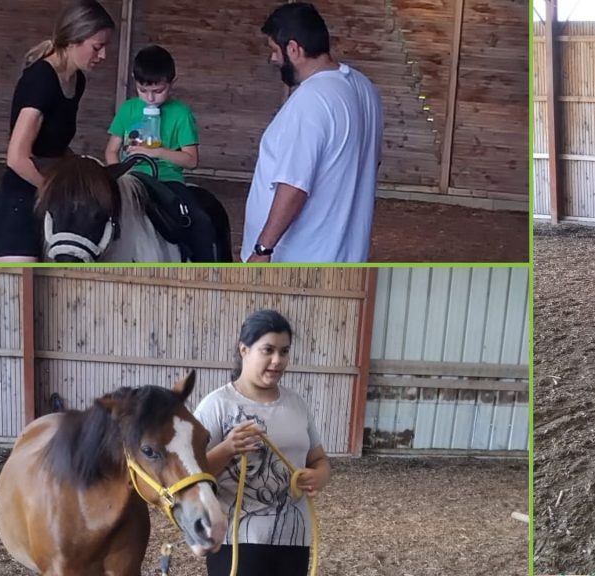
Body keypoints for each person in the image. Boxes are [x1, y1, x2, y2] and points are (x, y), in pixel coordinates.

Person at [242, 2, 384, 263]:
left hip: (298, 260)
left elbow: (294, 185)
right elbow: (371, 163)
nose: (273, 59)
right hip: (346, 256)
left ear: (293, 49)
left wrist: (263, 249)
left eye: (274, 50)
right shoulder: (364, 88)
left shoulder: (311, 100)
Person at [194, 309, 330, 576]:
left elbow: (319, 460)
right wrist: (227, 448)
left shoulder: (297, 405)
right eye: (268, 350)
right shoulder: (216, 406)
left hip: (292, 538)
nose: (277, 360)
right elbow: (192, 477)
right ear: (244, 350)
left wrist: (319, 477)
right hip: (235, 541)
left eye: (284, 351)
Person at [0, 0, 115, 262]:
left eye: (105, 47)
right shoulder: (41, 79)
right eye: (97, 47)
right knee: (21, 283)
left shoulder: (77, 80)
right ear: (74, 40)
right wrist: (57, 191)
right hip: (21, 199)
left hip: (52, 195)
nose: (103, 55)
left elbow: (55, 144)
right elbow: (17, 158)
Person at [104, 44, 199, 188]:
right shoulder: (128, 109)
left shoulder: (181, 113)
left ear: (172, 82)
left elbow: (191, 161)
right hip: (131, 177)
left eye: (158, 91)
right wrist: (120, 177)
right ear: (134, 79)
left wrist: (157, 152)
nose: (150, 98)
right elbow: (111, 151)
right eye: (142, 90)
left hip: (168, 180)